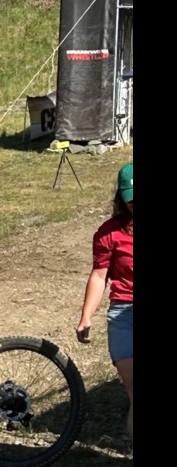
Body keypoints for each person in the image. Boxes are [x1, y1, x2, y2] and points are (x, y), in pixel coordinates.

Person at [76, 162, 133, 450]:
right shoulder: (109, 233)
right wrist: (86, 316)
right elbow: (99, 275)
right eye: (130, 196)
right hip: (124, 314)